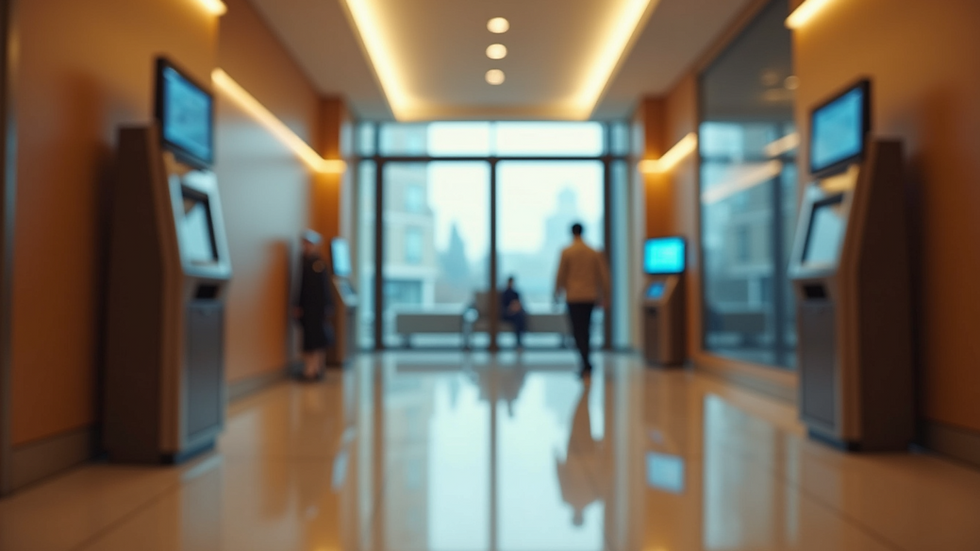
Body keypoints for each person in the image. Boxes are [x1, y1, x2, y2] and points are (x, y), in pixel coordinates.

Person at [554, 223, 611, 378]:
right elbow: (604, 276)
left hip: (573, 297)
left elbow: (560, 274)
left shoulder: (567, 251)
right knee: (586, 330)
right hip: (590, 297)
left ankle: (585, 362)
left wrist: (556, 293)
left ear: (572, 233)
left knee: (577, 331)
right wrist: (606, 296)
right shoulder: (593, 252)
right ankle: (586, 362)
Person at [293, 230, 334, 381]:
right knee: (310, 339)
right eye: (304, 243)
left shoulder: (317, 263)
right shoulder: (305, 261)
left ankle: (314, 369)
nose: (306, 246)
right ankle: (311, 368)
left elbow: (323, 288)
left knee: (316, 339)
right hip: (307, 307)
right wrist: (298, 304)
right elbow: (300, 286)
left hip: (316, 308)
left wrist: (326, 306)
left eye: (309, 243)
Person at [500, 276, 527, 349]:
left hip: (516, 312)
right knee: (518, 318)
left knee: (520, 317)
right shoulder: (504, 293)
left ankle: (519, 341)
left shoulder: (516, 293)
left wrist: (517, 308)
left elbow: (520, 304)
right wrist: (510, 309)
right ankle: (519, 342)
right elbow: (502, 306)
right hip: (507, 313)